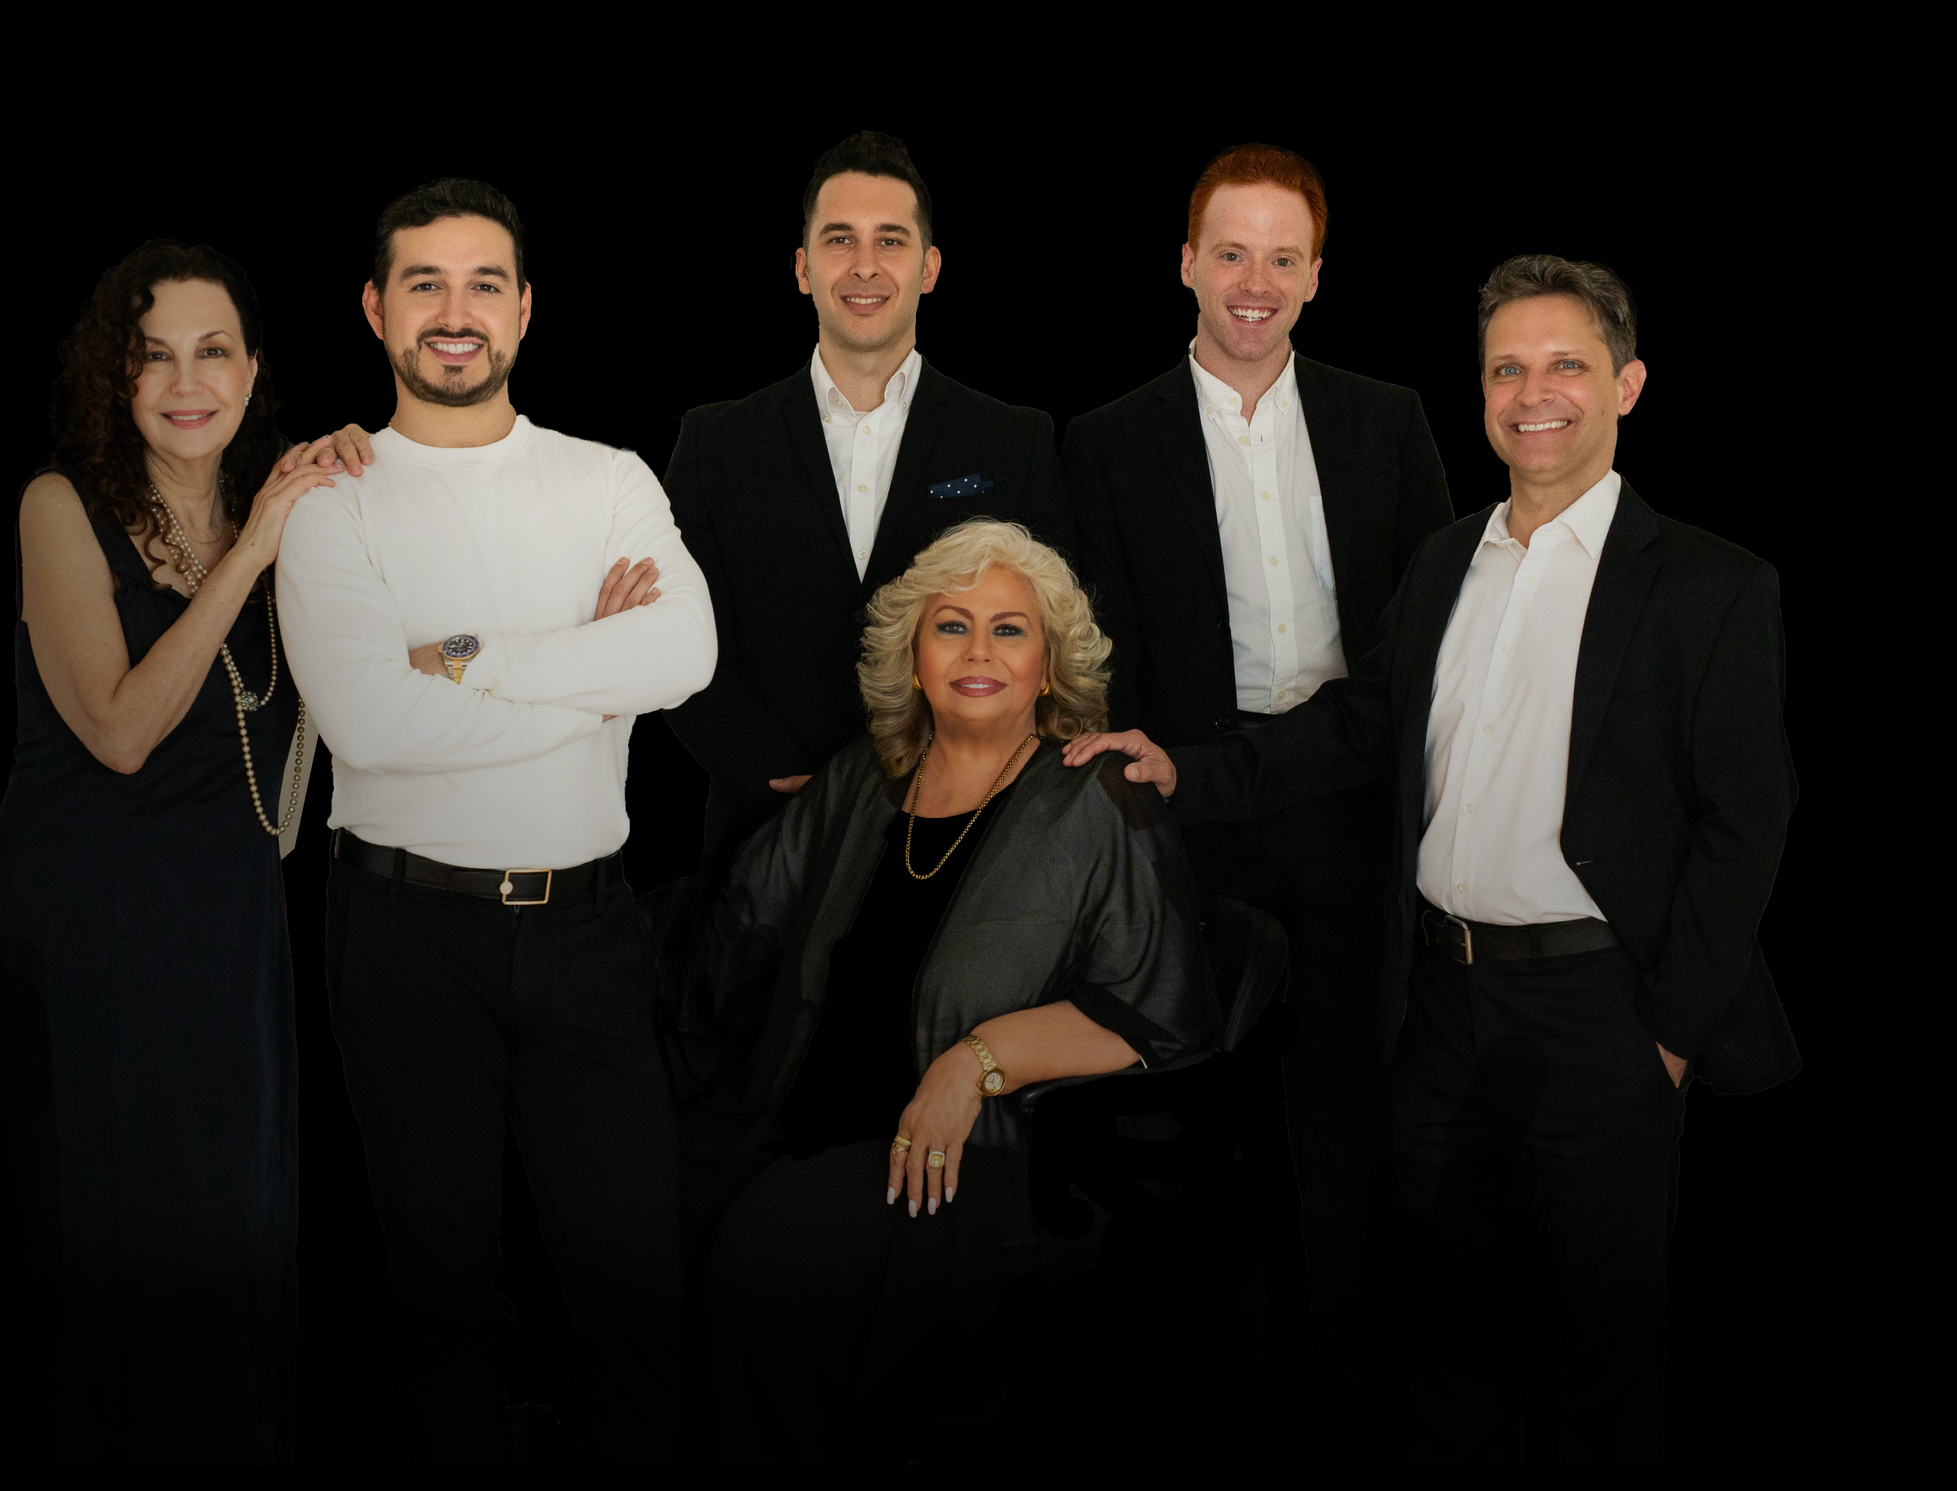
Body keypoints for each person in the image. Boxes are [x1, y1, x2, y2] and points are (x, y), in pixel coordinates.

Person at [1076, 256, 1799, 1464]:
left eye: (1566, 364)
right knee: (1448, 1333)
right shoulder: (1444, 564)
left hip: (1602, 1016)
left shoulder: (1712, 587)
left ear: (1626, 384)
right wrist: (1189, 772)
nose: (1534, 393)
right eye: (1506, 368)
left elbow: (1748, 821)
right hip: (1440, 1008)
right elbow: (1357, 726)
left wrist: (1667, 1028)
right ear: (1480, 393)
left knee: (1601, 1355)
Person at [275, 178, 717, 1463]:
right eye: (424, 283)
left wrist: (464, 656)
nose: (453, 313)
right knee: (440, 1288)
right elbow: (373, 727)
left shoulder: (608, 477)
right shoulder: (329, 500)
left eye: (482, 285)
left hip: (587, 933)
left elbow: (682, 650)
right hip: (404, 934)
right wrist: (588, 673)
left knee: (631, 1277)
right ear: (374, 309)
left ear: (524, 310)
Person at [1060, 142, 1454, 1456]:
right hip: (1191, 841)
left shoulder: (1386, 420)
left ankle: (1365, 1425)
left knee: (1354, 1158)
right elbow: (1099, 662)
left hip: (1350, 832)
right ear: (1185, 263)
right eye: (1230, 251)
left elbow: (1418, 662)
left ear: (1318, 277)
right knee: (1197, 1163)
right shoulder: (1105, 442)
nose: (1254, 281)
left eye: (1283, 257)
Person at [667, 520, 1214, 1464]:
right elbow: (740, 929)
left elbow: (1153, 1015)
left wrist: (976, 1063)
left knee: (771, 1253)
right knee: (655, 1209)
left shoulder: (1096, 795)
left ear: (1049, 664)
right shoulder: (864, 781)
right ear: (913, 658)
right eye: (950, 626)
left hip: (984, 1164)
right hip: (805, 1121)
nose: (977, 652)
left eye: (1010, 629)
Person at [0, 241, 365, 1463]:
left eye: (212, 351)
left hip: (226, 936)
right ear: (116, 375)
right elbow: (124, 729)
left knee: (229, 1245)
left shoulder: (289, 519)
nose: (185, 381)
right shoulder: (58, 507)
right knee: (104, 1259)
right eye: (154, 356)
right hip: (88, 934)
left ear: (251, 372)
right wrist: (252, 551)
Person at [663, 131, 1078, 866]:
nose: (863, 265)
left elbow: (1050, 634)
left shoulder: (1014, 440)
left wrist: (954, 776)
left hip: (965, 833)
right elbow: (671, 638)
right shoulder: (715, 442)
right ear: (802, 268)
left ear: (929, 267)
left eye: (890, 239)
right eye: (838, 240)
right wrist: (785, 781)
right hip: (762, 837)